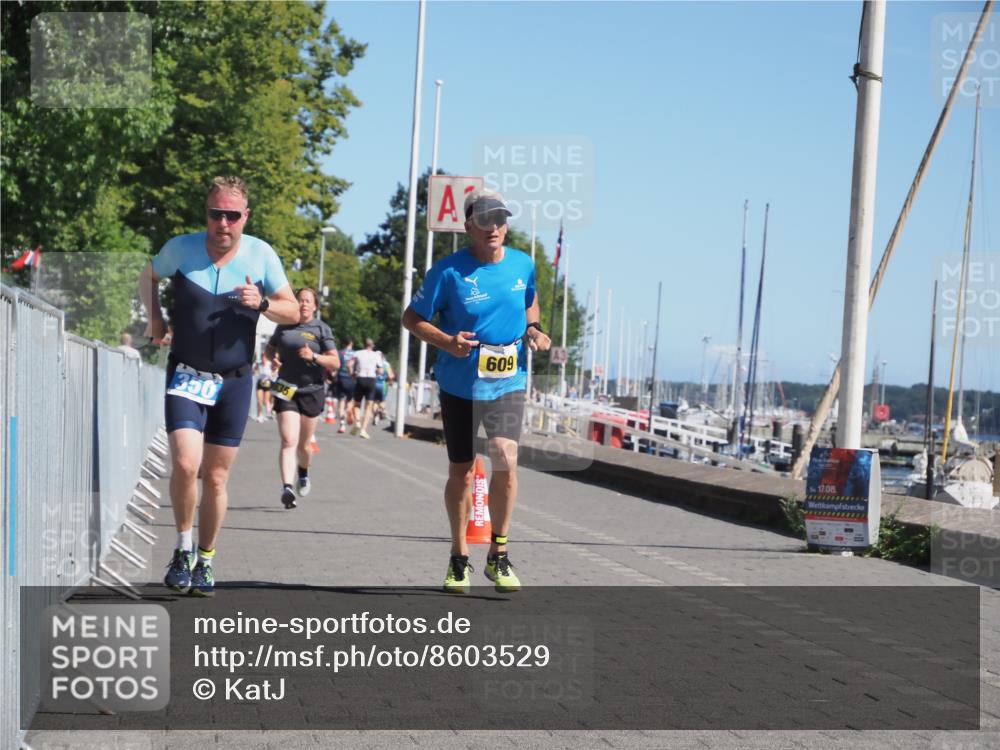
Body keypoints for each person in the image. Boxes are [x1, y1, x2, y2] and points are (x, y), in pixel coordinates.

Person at [138, 175, 298, 596]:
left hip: (235, 381)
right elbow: (148, 276)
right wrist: (155, 319)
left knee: (215, 477)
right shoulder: (181, 248)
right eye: (216, 214)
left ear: (245, 217)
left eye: (232, 215)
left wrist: (261, 303)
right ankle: (182, 547)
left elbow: (293, 310)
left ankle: (206, 560)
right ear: (205, 214)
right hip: (187, 374)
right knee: (187, 464)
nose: (223, 223)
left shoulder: (261, 255)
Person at [402, 188, 551, 594]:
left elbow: (530, 301)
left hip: (508, 378)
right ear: (469, 225)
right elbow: (411, 318)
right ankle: (459, 555)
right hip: (460, 383)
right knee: (462, 472)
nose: (494, 227)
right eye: (485, 220)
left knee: (505, 456)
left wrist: (534, 330)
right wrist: (446, 341)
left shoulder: (523, 263)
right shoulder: (448, 272)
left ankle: (499, 553)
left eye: (500, 219)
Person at [264, 287, 339, 508]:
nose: (304, 304)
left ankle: (303, 472)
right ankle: (287, 487)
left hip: (312, 390)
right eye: (300, 300)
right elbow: (269, 350)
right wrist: (273, 359)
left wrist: (314, 356)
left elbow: (335, 362)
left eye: (308, 301)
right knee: (288, 440)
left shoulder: (321, 329)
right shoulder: (283, 326)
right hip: (286, 388)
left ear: (315, 306)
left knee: (304, 445)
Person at [349, 338, 383, 439]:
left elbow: (349, 364)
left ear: (364, 345)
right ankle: (363, 430)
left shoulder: (357, 353)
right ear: (372, 346)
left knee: (357, 404)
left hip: (360, 378)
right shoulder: (377, 355)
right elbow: (381, 370)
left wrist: (352, 374)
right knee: (368, 406)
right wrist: (374, 370)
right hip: (371, 379)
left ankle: (358, 421)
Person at [333, 337, 356, 434]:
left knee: (341, 401)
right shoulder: (355, 354)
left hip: (341, 378)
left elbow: (336, 366)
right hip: (352, 379)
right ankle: (349, 410)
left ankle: (342, 424)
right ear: (351, 343)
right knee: (350, 400)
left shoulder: (340, 353)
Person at [372, 354, 395, 424]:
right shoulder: (386, 364)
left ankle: (375, 416)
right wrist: (390, 382)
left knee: (375, 401)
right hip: (383, 384)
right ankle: (381, 411)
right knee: (382, 401)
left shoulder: (373, 363)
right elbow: (391, 376)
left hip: (374, 384)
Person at [254, 353, 275, 422]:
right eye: (262, 357)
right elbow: (254, 370)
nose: (263, 359)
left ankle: (269, 412)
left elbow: (275, 370)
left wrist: (271, 375)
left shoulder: (270, 364)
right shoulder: (259, 364)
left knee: (265, 401)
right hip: (260, 383)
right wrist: (255, 372)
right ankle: (260, 415)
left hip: (268, 383)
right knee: (259, 400)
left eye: (265, 358)